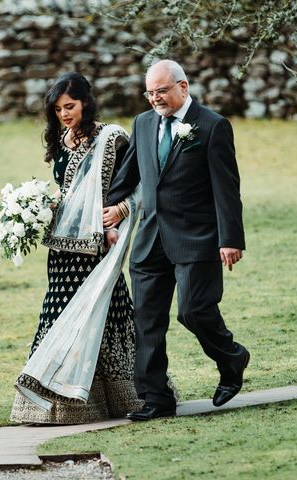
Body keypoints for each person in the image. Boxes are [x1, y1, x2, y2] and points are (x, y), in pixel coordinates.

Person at [105, 59, 250, 421]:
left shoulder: (213, 127)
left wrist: (230, 239)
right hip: (150, 238)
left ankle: (232, 358)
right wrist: (102, 212)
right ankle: (156, 398)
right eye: (150, 93)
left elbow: (227, 190)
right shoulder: (142, 123)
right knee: (147, 320)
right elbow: (128, 176)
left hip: (196, 237)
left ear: (182, 87)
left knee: (193, 311)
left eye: (162, 91)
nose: (155, 99)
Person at [10, 72, 143, 424]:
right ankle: (60, 404)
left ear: (86, 102)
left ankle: (122, 395)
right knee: (58, 311)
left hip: (98, 245)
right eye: (57, 109)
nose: (64, 114)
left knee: (105, 312)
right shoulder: (62, 140)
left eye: (70, 106)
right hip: (62, 249)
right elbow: (67, 193)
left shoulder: (111, 138)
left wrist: (120, 211)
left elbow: (139, 182)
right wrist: (38, 209)